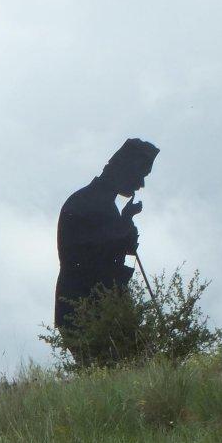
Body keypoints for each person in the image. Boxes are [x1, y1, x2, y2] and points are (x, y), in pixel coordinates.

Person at [55, 138, 159, 361]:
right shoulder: (85, 202)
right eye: (139, 174)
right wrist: (122, 226)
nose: (140, 183)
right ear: (124, 169)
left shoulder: (102, 204)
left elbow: (108, 248)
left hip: (105, 306)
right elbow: (85, 254)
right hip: (84, 306)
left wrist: (125, 224)